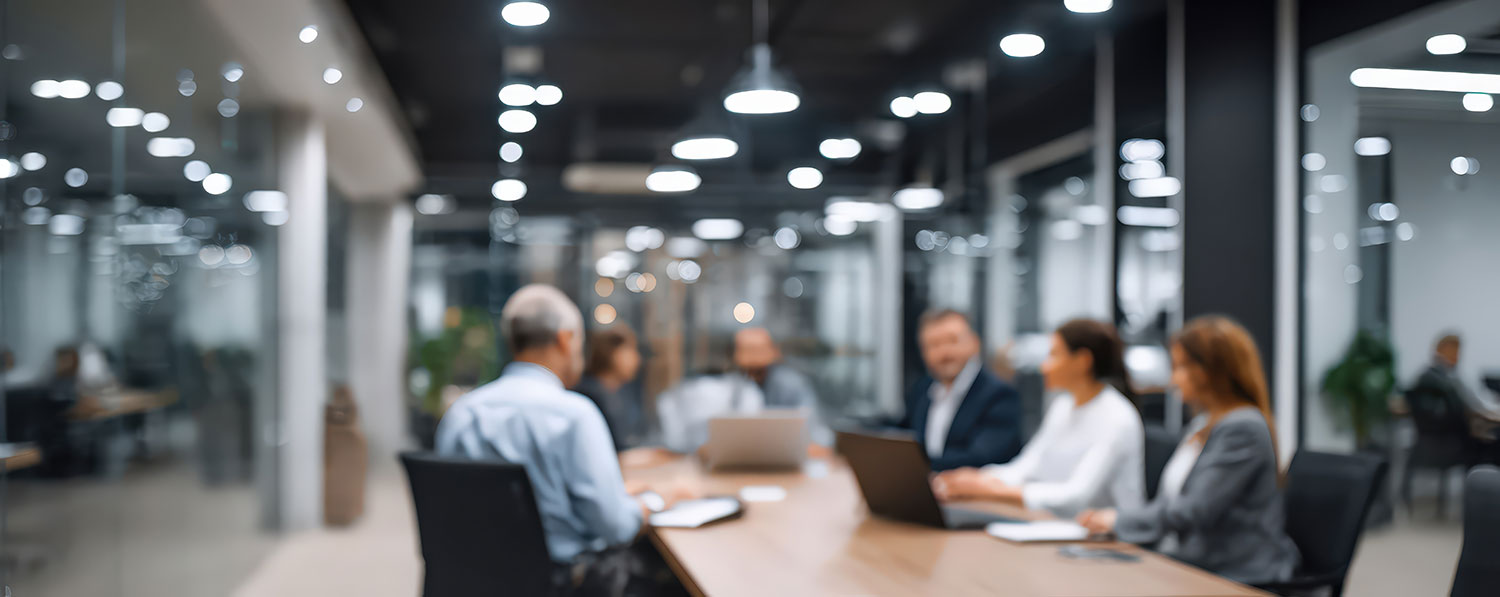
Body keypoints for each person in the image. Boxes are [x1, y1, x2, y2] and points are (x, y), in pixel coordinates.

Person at [435, 285, 689, 595]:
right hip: (562, 585)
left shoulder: (462, 413)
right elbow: (615, 527)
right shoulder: (573, 414)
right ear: (565, 339)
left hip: (473, 581)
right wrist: (658, 500)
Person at [1076, 315, 1299, 586]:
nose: (1173, 380)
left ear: (1209, 371)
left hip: (1231, 572)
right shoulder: (1203, 423)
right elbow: (1172, 500)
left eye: (1180, 367)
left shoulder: (1243, 428)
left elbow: (1194, 510)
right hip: (1188, 560)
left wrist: (1120, 520)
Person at [932, 319, 1145, 518]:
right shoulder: (1063, 406)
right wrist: (978, 477)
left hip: (1111, 541)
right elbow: (1028, 467)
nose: (1044, 366)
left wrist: (991, 490)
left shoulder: (1118, 417)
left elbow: (1076, 496)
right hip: (1054, 524)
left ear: (1082, 361)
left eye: (1054, 355)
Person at [656, 327, 829, 454]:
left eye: (759, 349)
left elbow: (816, 439)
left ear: (774, 352)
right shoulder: (729, 386)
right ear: (734, 355)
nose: (753, 357)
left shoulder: (791, 385)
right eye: (746, 350)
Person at [899, 309, 1022, 471]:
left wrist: (913, 465)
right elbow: (903, 429)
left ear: (975, 343)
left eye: (952, 341)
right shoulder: (924, 389)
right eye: (933, 344)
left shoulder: (1000, 395)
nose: (944, 352)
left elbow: (981, 458)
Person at [1408, 334, 1500, 441]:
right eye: (1454, 351)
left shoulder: (1423, 376)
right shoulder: (1450, 380)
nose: (1457, 356)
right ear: (1441, 350)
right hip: (1458, 440)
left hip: (1434, 443)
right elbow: (1476, 406)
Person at [574, 325, 648, 451]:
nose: (637, 359)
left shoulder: (618, 392)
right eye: (632, 350)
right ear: (614, 353)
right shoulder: (591, 394)